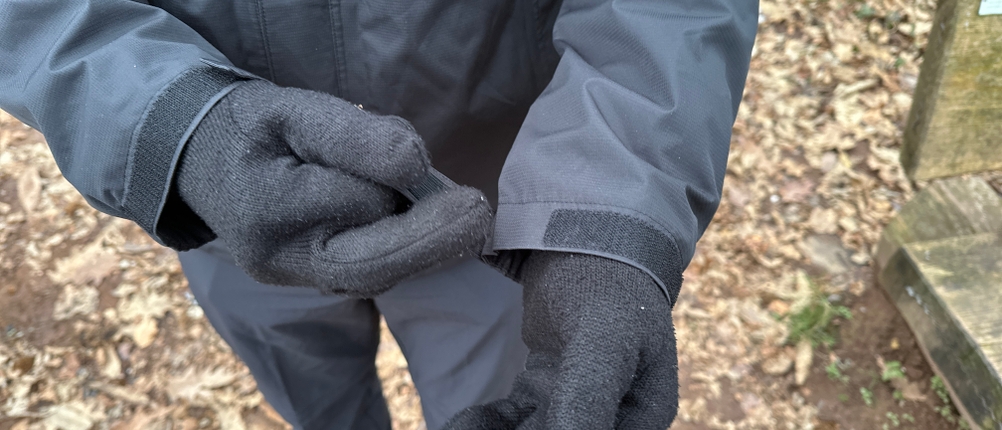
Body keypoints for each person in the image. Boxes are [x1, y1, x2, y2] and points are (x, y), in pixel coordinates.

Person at [0, 0, 757, 428]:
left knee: (499, 403)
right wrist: (173, 128)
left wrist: (606, 212)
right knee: (317, 404)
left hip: (497, 212)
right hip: (233, 210)